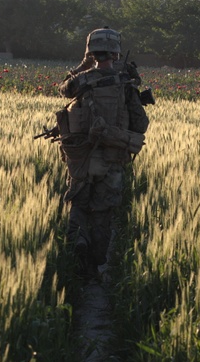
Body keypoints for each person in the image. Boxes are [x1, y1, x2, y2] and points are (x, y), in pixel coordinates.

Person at [56, 27, 150, 276]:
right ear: (116, 54)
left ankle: (78, 242)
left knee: (78, 203)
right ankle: (96, 264)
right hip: (112, 160)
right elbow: (141, 125)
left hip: (81, 159)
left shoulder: (80, 81)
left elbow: (62, 89)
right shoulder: (126, 85)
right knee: (103, 212)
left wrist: (82, 66)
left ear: (91, 52)